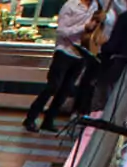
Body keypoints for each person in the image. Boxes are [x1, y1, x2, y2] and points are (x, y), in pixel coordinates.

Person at [27, 0, 101, 132]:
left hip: (81, 53)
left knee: (65, 89)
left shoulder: (95, 6)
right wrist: (83, 28)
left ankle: (49, 120)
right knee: (52, 86)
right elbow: (61, 31)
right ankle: (31, 118)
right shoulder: (70, 6)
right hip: (64, 51)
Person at [88, 0, 127, 112]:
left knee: (104, 104)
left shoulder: (126, 17)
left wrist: (102, 44)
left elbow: (113, 46)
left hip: (116, 67)